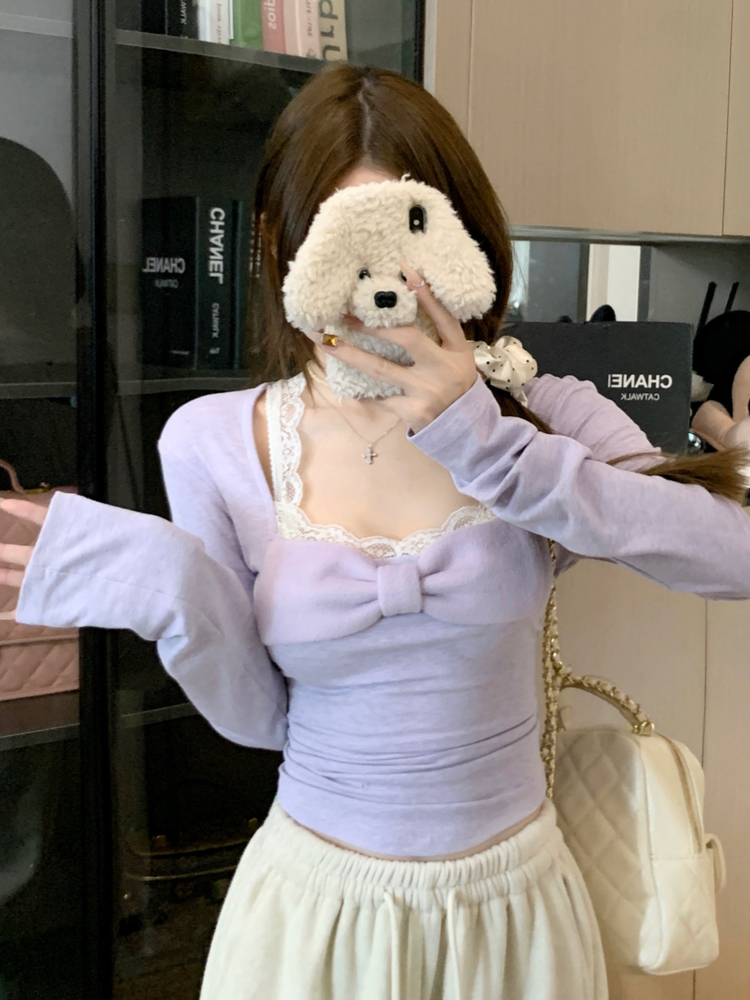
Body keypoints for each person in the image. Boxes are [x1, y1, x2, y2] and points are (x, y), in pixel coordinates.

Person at [2, 63, 750, 1000]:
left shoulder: (542, 412)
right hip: (316, 907)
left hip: (515, 908)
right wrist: (172, 584)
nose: (380, 286)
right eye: (342, 242)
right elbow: (256, 721)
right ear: (280, 245)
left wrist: (490, 447)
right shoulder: (213, 440)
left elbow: (733, 555)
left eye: (410, 238)